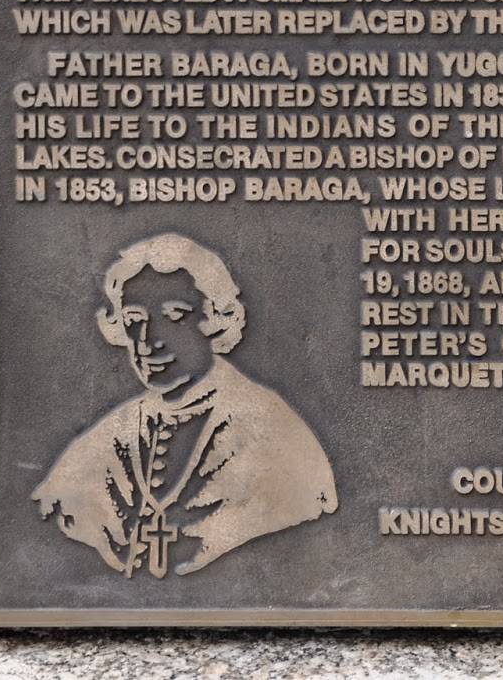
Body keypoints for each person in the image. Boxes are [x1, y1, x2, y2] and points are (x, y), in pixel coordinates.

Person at [33, 233, 338, 577]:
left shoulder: (273, 435)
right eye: (134, 321)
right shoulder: (107, 438)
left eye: (173, 316)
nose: (148, 342)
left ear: (214, 318)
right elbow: (53, 515)